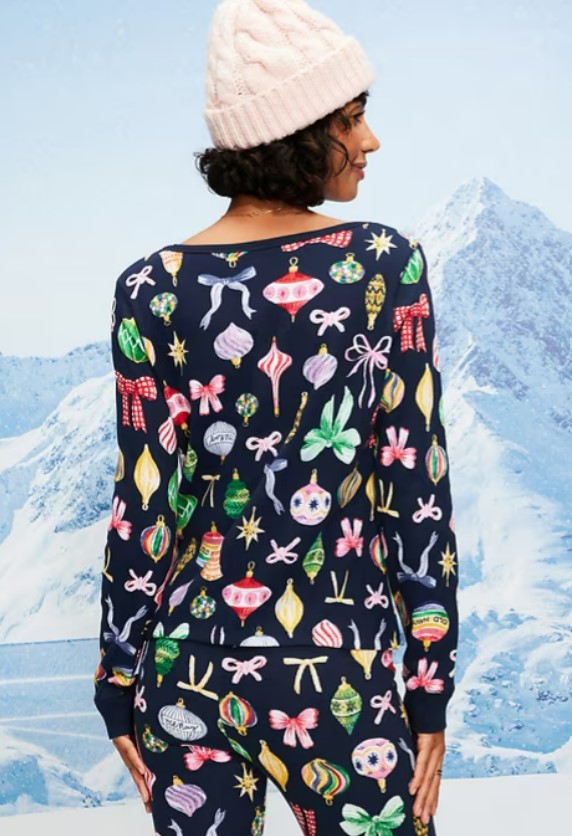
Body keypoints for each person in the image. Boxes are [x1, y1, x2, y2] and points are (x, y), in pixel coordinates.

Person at [93, 1, 460, 834]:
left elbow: (145, 502)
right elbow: (414, 489)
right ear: (296, 131)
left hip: (185, 669)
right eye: (352, 118)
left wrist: (117, 679)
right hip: (338, 672)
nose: (370, 141)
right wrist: (429, 685)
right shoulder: (381, 265)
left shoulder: (150, 288)